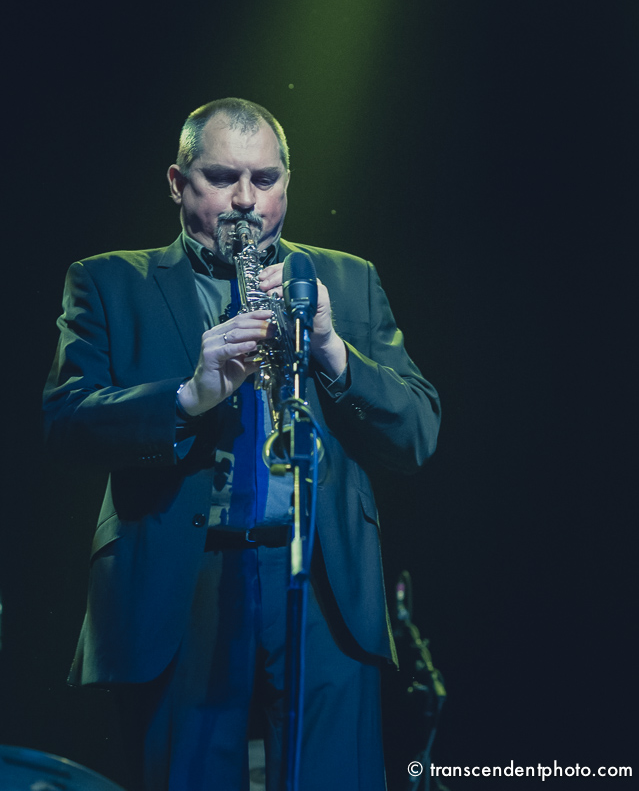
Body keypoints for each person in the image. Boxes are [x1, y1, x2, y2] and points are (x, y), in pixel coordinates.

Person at [43, 98, 441, 791]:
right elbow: (66, 426)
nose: (246, 201)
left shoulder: (348, 280)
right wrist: (186, 397)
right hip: (181, 578)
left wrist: (332, 350)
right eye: (223, 177)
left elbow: (416, 433)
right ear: (177, 183)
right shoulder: (108, 280)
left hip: (323, 579)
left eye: (265, 179)